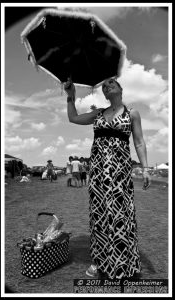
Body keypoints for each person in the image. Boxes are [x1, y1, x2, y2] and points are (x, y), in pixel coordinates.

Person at [64, 77, 151, 280]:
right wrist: (70, 96)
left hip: (120, 175)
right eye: (104, 86)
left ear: (120, 88)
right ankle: (99, 260)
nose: (106, 86)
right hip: (99, 176)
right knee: (100, 217)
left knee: (122, 217)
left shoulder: (132, 113)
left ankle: (125, 261)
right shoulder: (98, 113)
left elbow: (139, 142)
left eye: (111, 83)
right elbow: (73, 118)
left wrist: (145, 168)